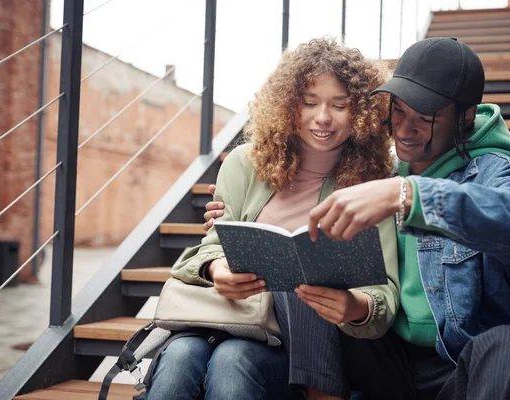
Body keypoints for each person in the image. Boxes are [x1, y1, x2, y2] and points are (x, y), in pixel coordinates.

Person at [204, 37, 510, 399]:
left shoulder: (493, 174)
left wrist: (407, 196)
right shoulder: (378, 169)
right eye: (399, 111)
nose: (406, 130)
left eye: (426, 118)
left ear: (466, 116)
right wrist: (230, 214)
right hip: (379, 353)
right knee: (299, 285)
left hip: (459, 361)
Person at [146, 38, 400, 400]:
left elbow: (384, 294)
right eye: (309, 102)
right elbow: (206, 251)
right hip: (229, 317)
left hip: (303, 350)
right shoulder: (244, 163)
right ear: (287, 105)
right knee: (179, 359)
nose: (323, 117)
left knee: (233, 363)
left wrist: (355, 307)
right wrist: (217, 270)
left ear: (362, 110)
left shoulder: (373, 183)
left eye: (339, 105)